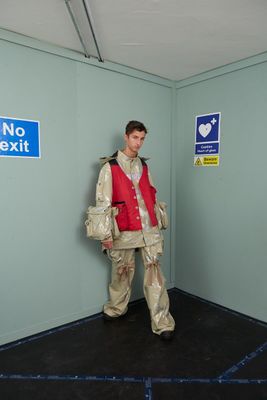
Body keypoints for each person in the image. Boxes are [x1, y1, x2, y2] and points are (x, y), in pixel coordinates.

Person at [87, 120, 175, 341]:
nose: (139, 142)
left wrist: (157, 223)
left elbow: (151, 195)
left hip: (149, 229)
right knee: (122, 272)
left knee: (155, 276)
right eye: (135, 137)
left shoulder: (144, 166)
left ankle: (162, 322)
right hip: (124, 229)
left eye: (142, 138)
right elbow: (103, 202)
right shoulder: (111, 167)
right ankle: (116, 309)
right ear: (126, 137)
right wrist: (105, 235)